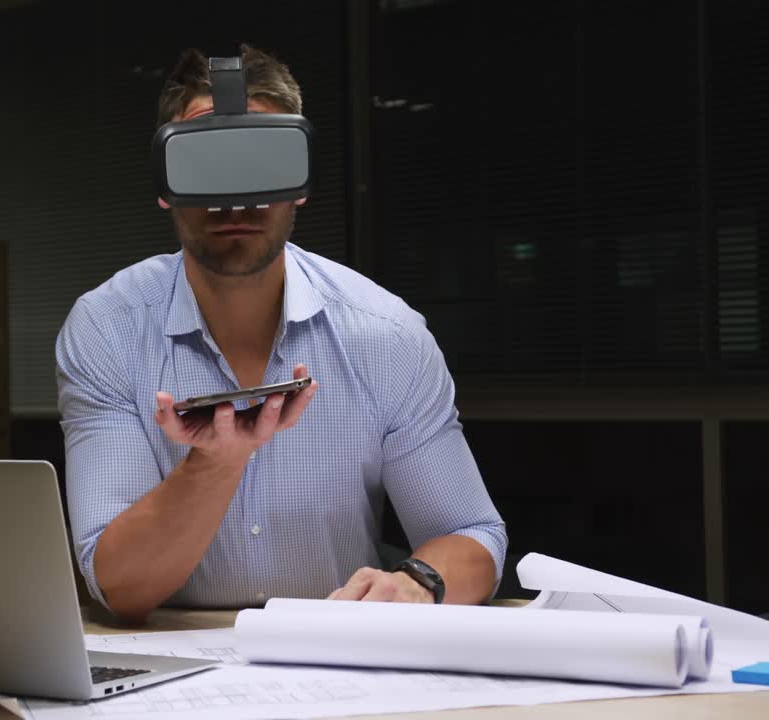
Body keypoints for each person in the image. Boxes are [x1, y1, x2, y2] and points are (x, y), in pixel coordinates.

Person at [56, 44, 506, 622]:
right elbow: (118, 584)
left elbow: (470, 533)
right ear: (165, 182)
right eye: (207, 163)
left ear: (301, 182)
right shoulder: (108, 329)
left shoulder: (386, 335)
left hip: (338, 654)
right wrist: (215, 463)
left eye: (262, 159)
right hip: (168, 666)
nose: (236, 197)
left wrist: (418, 585)